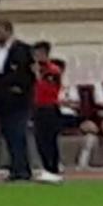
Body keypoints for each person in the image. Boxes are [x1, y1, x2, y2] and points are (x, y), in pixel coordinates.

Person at [0, 20, 35, 182]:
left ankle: (23, 169)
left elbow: (28, 75)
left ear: (8, 32)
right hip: (1, 100)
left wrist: (19, 88)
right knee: (8, 134)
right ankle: (15, 168)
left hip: (18, 100)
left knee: (18, 133)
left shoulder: (22, 50)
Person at [30, 41, 68, 183]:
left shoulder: (52, 70)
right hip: (37, 108)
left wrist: (37, 76)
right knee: (40, 140)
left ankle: (53, 167)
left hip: (49, 107)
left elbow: (49, 89)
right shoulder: (35, 69)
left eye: (39, 53)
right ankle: (46, 167)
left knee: (50, 140)